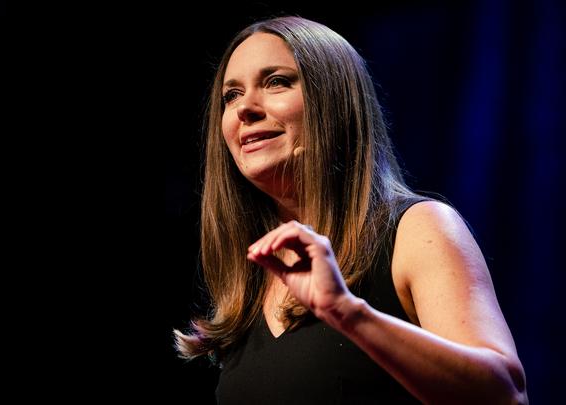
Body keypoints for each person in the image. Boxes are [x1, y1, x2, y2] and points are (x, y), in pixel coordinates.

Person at [173, 16, 528, 404]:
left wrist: (347, 312)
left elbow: (505, 394)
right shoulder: (249, 279)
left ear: (335, 101)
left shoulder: (418, 230)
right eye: (231, 95)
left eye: (276, 82)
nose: (245, 108)